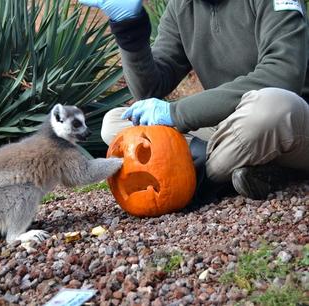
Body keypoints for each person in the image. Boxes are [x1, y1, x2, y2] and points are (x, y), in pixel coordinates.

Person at [79, 0, 309, 201]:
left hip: (290, 121)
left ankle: (199, 178)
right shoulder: (182, 6)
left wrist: (175, 113)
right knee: (117, 124)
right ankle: (248, 168)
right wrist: (129, 27)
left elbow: (281, 75)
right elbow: (150, 88)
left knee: (272, 107)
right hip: (232, 124)